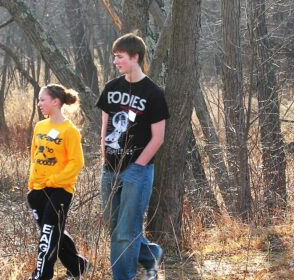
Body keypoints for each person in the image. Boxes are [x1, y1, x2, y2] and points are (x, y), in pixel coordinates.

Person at [96, 33, 170, 280]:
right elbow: (105, 127)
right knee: (114, 227)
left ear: (135, 57)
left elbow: (158, 137)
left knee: (125, 232)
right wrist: (104, 159)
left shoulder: (153, 93)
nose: (115, 61)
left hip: (137, 171)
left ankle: (123, 277)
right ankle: (149, 254)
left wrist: (137, 167)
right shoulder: (111, 88)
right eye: (114, 57)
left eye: (120, 57)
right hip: (109, 169)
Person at [27, 84, 88, 280]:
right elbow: (34, 157)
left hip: (60, 190)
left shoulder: (70, 131)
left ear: (55, 102)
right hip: (38, 190)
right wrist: (32, 185)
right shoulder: (40, 126)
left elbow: (76, 163)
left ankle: (41, 275)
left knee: (48, 234)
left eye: (42, 100)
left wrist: (54, 179)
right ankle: (77, 265)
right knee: (54, 232)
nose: (39, 104)